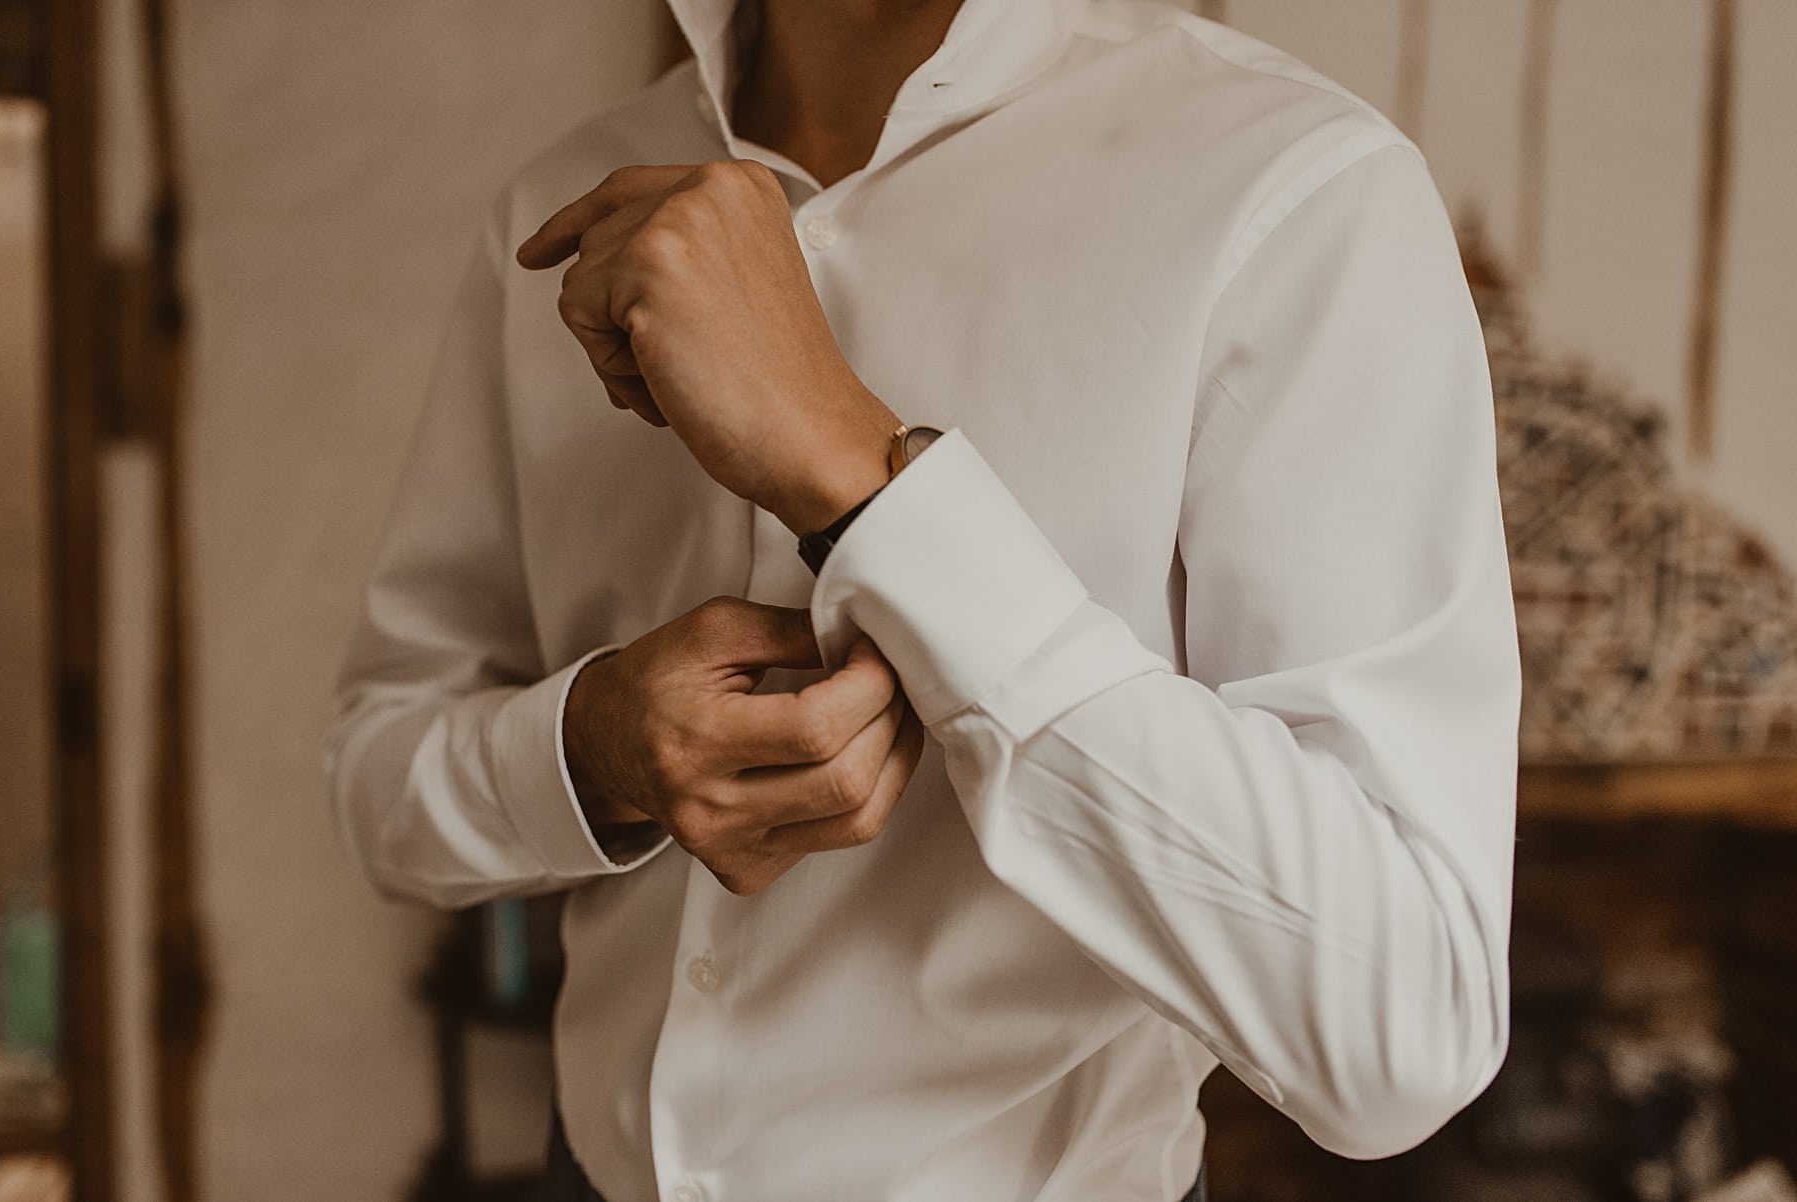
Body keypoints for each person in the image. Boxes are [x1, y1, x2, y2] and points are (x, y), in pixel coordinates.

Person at [327, 0, 1522, 1199]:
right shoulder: (562, 202)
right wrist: (593, 753)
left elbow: (1403, 1034)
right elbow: (380, 768)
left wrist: (864, 479)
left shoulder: (1293, 192)